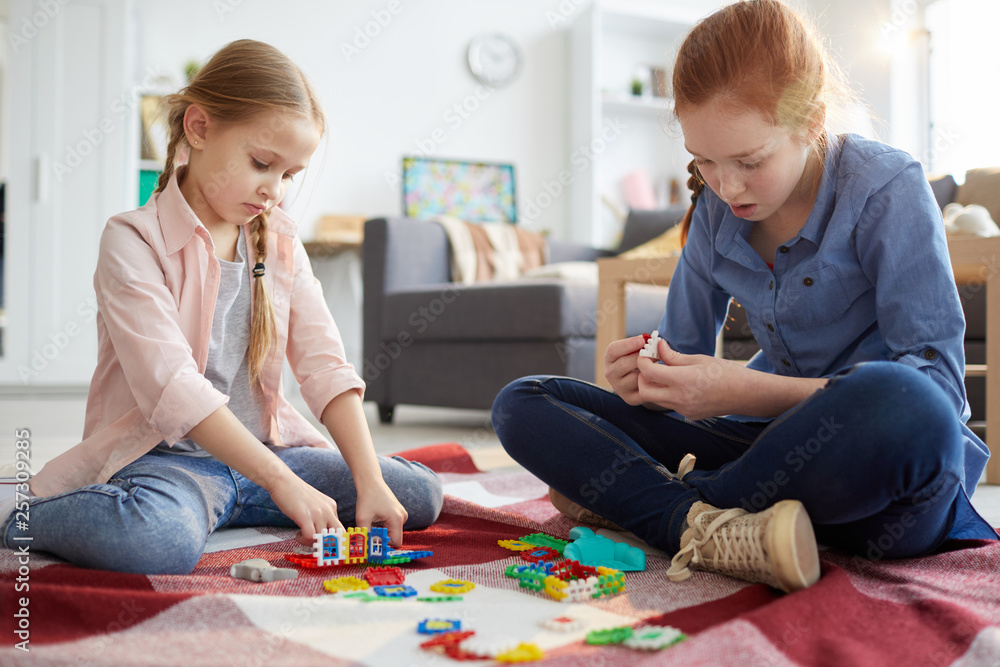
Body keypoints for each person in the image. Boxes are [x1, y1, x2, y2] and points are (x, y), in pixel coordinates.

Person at [492, 0, 997, 593]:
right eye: (703, 161)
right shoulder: (713, 211)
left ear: (810, 121)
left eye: (750, 161)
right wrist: (647, 377)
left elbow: (940, 390)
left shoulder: (886, 187)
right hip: (759, 452)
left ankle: (667, 506)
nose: (726, 186)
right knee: (524, 402)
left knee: (902, 400)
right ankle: (704, 522)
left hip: (880, 475)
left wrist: (742, 389)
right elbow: (678, 358)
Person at [0, 40, 442, 574]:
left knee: (416, 493)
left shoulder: (279, 241)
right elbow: (176, 390)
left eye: (289, 175)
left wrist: (368, 481)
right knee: (156, 540)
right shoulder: (132, 241)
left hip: (267, 455)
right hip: (169, 465)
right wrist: (284, 485)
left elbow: (325, 365)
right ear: (200, 128)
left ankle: (235, 507)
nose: (274, 191)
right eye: (262, 163)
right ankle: (21, 513)